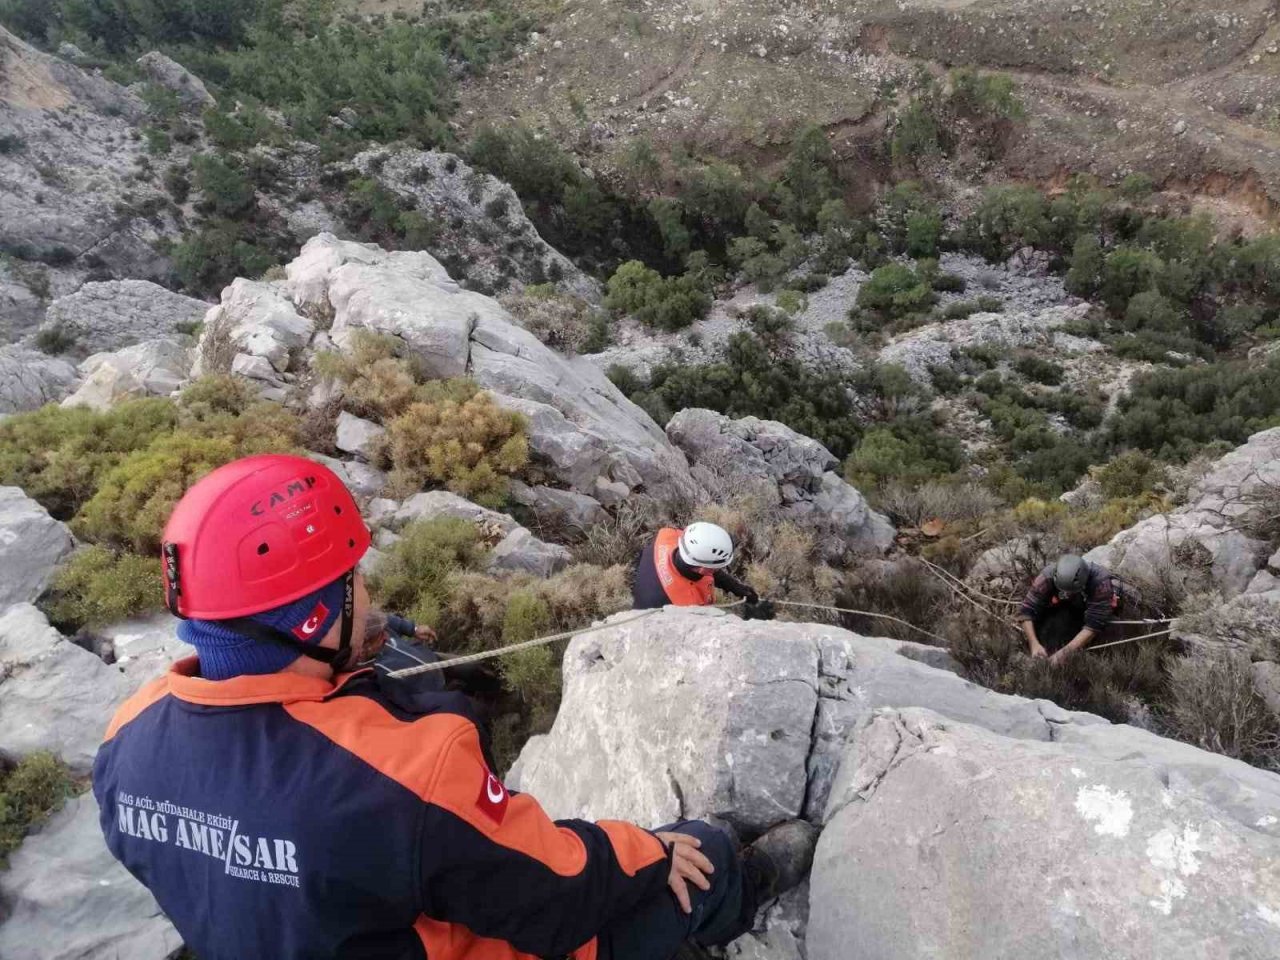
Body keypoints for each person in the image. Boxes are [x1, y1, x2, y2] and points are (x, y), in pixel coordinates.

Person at [94, 455, 813, 960]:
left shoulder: (126, 739)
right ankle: (741, 899)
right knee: (701, 854)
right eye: (354, 581)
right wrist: (650, 851)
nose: (369, 595)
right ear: (314, 619)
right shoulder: (407, 769)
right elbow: (555, 890)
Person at [632, 522, 775, 620]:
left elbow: (705, 568)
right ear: (702, 569)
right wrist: (754, 617)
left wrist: (736, 588)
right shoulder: (688, 605)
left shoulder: (667, 536)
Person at [1016, 554, 1124, 666]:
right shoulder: (1046, 577)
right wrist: (1034, 644)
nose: (1067, 594)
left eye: (1071, 591)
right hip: (1064, 609)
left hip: (1088, 609)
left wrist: (1065, 653)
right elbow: (1026, 611)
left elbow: (1094, 624)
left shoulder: (1100, 582)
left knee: (1110, 629)